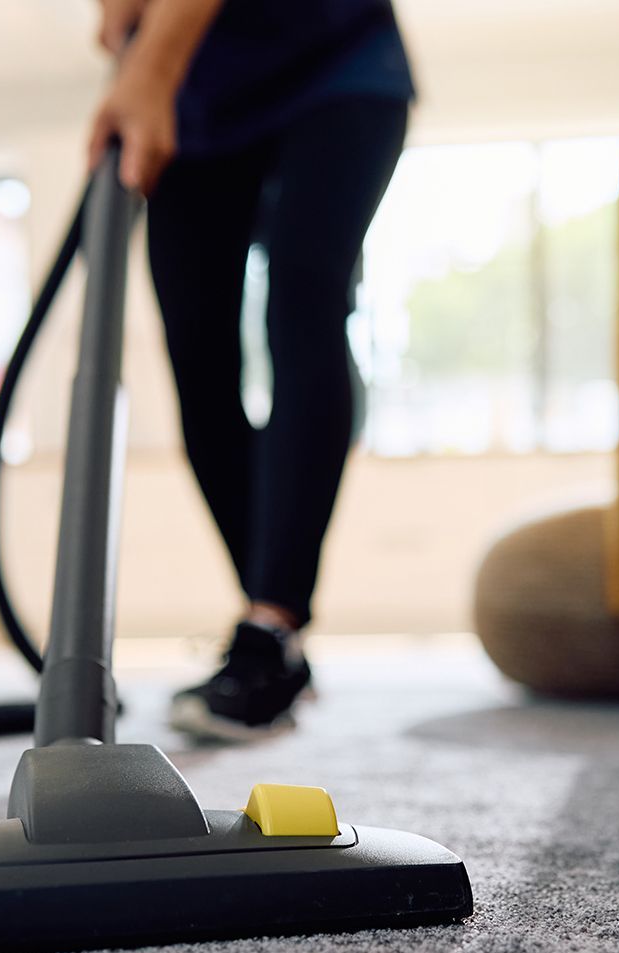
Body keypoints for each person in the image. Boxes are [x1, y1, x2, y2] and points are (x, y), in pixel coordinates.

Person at [88, 0, 413, 741]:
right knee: (195, 352)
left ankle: (270, 623)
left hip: (339, 66)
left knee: (304, 300)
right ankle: (272, 630)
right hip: (198, 108)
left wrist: (152, 68)